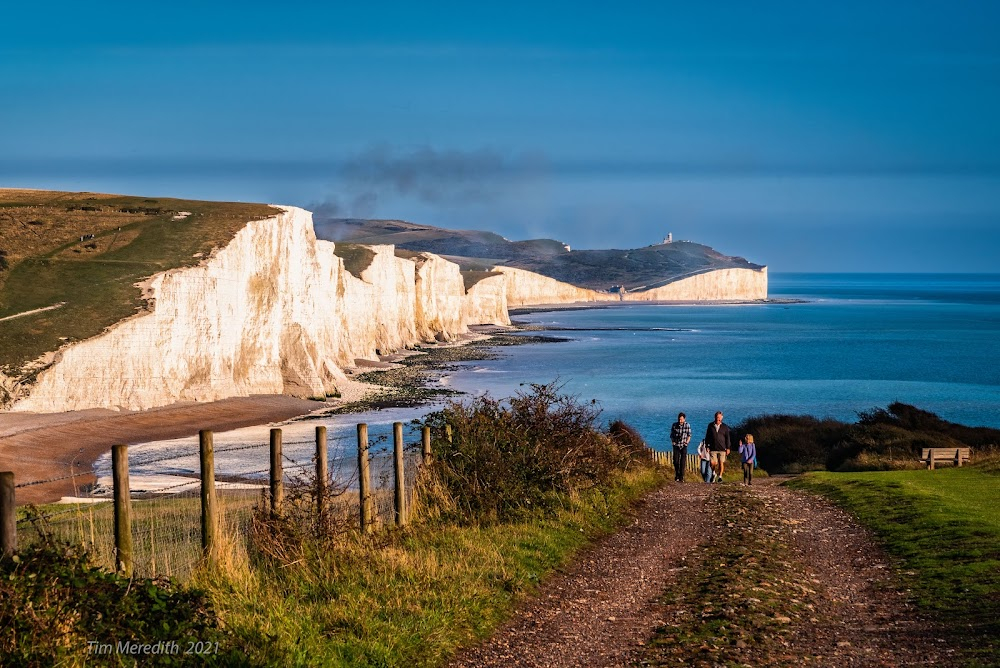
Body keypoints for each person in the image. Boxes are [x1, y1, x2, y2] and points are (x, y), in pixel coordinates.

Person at [704, 411, 731, 483]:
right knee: (712, 463)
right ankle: (713, 473)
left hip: (722, 448)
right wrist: (707, 445)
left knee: (721, 462)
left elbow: (727, 438)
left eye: (719, 417)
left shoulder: (725, 427)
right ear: (715, 417)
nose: (718, 419)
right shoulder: (710, 425)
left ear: (722, 418)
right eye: (717, 417)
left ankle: (720, 476)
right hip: (713, 447)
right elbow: (707, 436)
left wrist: (728, 448)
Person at [669, 412, 692, 482]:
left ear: (684, 419)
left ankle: (681, 476)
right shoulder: (674, 425)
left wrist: (687, 442)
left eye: (681, 419)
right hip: (676, 445)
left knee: (683, 461)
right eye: (679, 419)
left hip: (683, 445)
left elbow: (689, 435)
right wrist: (673, 441)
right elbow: (671, 435)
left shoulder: (687, 425)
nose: (680, 421)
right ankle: (677, 474)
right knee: (675, 461)